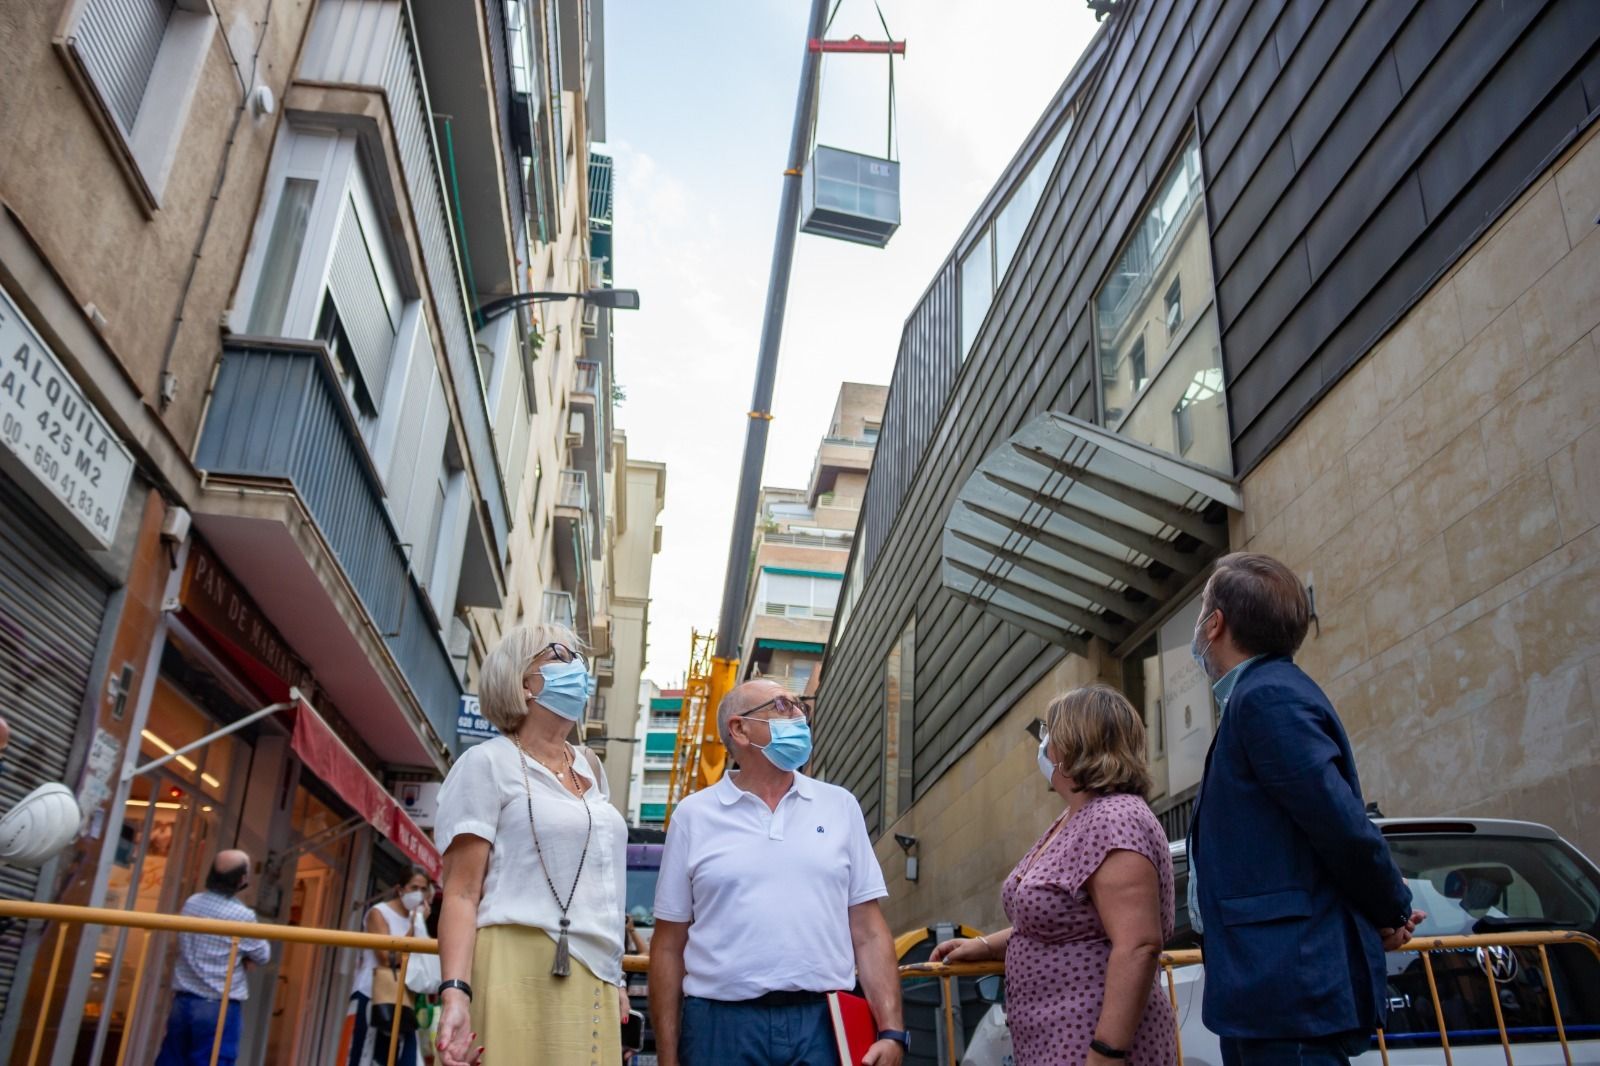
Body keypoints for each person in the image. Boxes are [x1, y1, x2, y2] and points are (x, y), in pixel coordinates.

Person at [1187, 552, 1425, 1066]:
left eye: (1202, 609)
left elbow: (1340, 824)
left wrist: (1392, 909)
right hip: (1268, 996)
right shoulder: (1258, 696)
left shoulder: (1266, 697)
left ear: (1216, 623)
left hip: (1286, 993)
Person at [648, 680, 907, 1066]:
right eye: (783, 706)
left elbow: (869, 930)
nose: (799, 715)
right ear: (739, 729)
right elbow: (668, 946)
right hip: (719, 1027)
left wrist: (891, 1031)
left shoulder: (840, 806)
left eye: (801, 706)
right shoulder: (692, 815)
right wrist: (667, 1058)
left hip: (825, 1023)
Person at [931, 685, 1176, 1066]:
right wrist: (986, 946)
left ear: (1075, 744)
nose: (1044, 744)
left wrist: (1107, 1051)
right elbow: (1063, 917)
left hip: (1092, 1042)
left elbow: (1139, 944)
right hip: (1055, 1041)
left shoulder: (1115, 818)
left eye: (1051, 733)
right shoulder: (1075, 817)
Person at [433, 625, 630, 1066]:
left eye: (578, 657)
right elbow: (461, 892)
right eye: (560, 655)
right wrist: (455, 992)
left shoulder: (592, 768)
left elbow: (604, 884)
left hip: (595, 970)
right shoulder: (486, 762)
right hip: (513, 963)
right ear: (524, 683)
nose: (578, 667)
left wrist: (616, 976)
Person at [155, 850, 270, 1066]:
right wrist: (243, 957)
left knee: (172, 1057)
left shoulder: (192, 903)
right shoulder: (242, 916)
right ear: (242, 880)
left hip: (184, 999)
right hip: (218, 1004)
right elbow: (263, 955)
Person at [350, 867, 432, 1066]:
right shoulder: (379, 913)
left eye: (423, 889)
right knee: (364, 1058)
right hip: (372, 996)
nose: (418, 894)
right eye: (414, 887)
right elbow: (386, 958)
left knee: (405, 1059)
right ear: (400, 889)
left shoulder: (416, 919)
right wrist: (415, 927)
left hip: (403, 999)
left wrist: (418, 924)